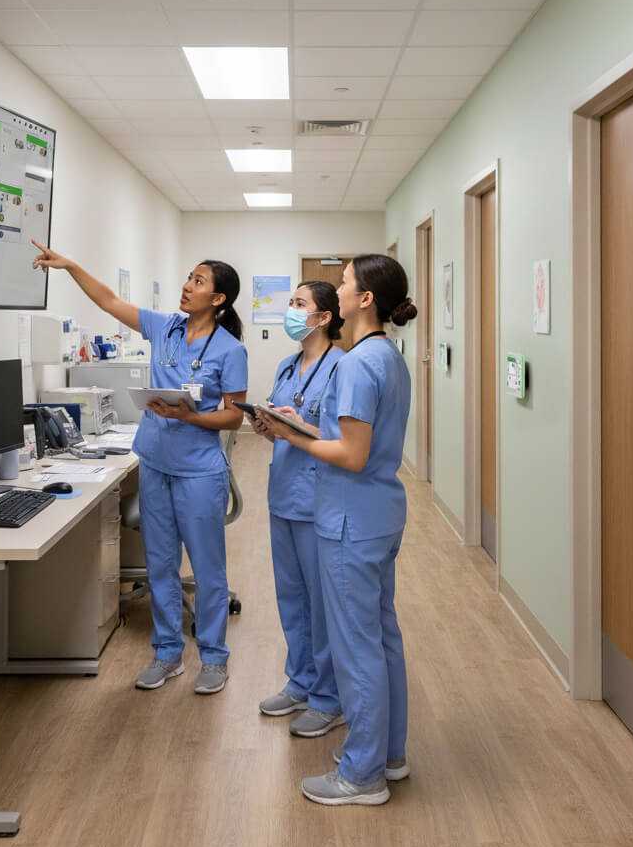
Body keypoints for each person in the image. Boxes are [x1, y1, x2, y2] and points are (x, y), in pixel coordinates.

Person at [31, 241, 247, 695]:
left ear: (219, 299)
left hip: (199, 471)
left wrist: (190, 416)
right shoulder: (164, 327)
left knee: (208, 569)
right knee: (161, 563)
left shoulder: (230, 350)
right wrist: (71, 265)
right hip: (154, 462)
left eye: (198, 282)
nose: (187, 287)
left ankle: (213, 658)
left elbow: (234, 415)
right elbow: (109, 301)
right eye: (189, 278)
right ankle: (167, 654)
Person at [257, 254, 416, 807]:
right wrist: (296, 426)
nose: (340, 290)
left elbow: (350, 453)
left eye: (345, 283)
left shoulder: (353, 363)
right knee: (381, 638)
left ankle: (361, 775)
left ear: (363, 299)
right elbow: (360, 442)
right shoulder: (388, 358)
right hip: (378, 513)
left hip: (349, 518)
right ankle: (388, 756)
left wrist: (290, 435)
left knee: (356, 649)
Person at [253, 281, 345, 739]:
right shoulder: (287, 364)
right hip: (283, 493)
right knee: (291, 598)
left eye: (299, 304)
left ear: (324, 316)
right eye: (290, 302)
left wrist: (298, 426)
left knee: (322, 605)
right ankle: (301, 681)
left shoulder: (342, 367)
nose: (291, 310)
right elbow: (285, 432)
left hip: (317, 498)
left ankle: (330, 698)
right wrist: (268, 427)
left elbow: (340, 441)